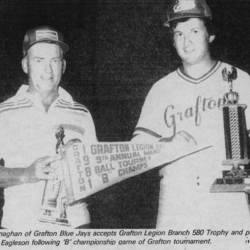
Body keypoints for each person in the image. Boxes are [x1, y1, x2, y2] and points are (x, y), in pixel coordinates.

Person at [132, 0, 250, 230]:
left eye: (194, 31)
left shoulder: (241, 81)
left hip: (228, 201)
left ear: (210, 35)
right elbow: (136, 151)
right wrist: (165, 144)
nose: (186, 41)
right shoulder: (160, 89)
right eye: (179, 34)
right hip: (177, 201)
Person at [0, 26, 97, 229]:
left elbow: (97, 176)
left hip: (76, 228)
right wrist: (26, 173)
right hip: (21, 227)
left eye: (55, 61)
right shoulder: (4, 113)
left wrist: (82, 163)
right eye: (39, 60)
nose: (48, 70)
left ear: (63, 66)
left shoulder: (82, 113)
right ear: (25, 65)